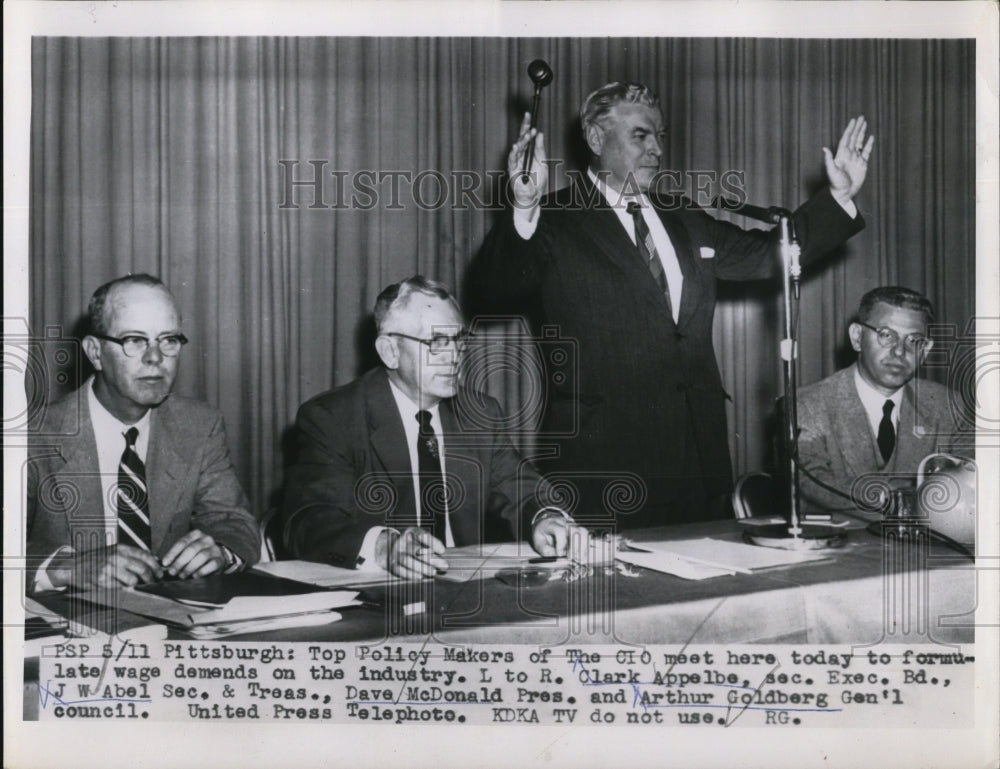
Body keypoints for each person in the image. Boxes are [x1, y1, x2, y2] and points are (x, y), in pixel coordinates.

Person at [470, 81, 875, 528]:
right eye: (641, 135)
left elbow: (768, 254)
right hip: (603, 468)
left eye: (660, 136)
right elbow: (493, 289)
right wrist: (524, 206)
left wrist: (838, 197)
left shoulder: (682, 216)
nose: (657, 149)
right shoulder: (553, 219)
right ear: (595, 138)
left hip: (696, 467)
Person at [282, 276, 582, 580]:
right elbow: (308, 521)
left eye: (459, 341)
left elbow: (520, 487)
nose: (454, 358)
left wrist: (546, 517)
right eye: (437, 342)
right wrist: (385, 547)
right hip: (381, 595)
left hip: (468, 594)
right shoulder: (333, 418)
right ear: (390, 351)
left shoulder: (479, 413)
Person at [26, 275, 260, 592]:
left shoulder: (199, 425)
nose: (155, 357)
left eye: (168, 340)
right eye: (135, 340)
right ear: (95, 353)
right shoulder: (34, 436)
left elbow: (236, 523)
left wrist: (219, 551)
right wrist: (65, 567)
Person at [796, 286, 970, 515]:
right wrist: (894, 494)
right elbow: (809, 485)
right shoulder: (807, 405)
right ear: (857, 337)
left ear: (925, 350)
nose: (899, 351)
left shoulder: (950, 408)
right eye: (886, 335)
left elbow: (973, 485)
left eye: (914, 341)